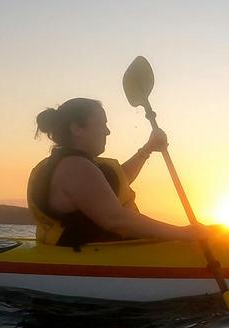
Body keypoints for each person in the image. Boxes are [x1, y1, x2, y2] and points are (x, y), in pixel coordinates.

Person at [27, 97, 206, 246]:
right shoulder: (75, 167)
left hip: (98, 248)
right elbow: (116, 220)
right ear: (77, 129)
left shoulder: (74, 163)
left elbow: (119, 180)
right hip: (87, 256)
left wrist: (148, 148)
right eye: (102, 124)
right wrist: (184, 233)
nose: (108, 131)